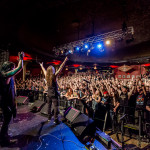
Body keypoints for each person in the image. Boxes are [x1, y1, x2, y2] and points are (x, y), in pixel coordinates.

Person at [0, 52, 24, 147]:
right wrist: (21, 59)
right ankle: (3, 140)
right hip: (5, 101)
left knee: (7, 120)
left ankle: (3, 136)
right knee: (6, 121)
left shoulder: (6, 76)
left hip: (8, 100)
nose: (13, 70)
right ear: (9, 69)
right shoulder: (4, 75)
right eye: (12, 68)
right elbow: (19, 68)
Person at [40, 56, 68, 124]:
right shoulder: (54, 76)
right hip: (54, 94)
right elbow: (60, 68)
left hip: (49, 94)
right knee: (56, 107)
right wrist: (65, 61)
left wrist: (41, 66)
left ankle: (49, 118)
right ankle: (55, 119)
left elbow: (44, 71)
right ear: (52, 70)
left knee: (49, 105)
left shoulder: (46, 76)